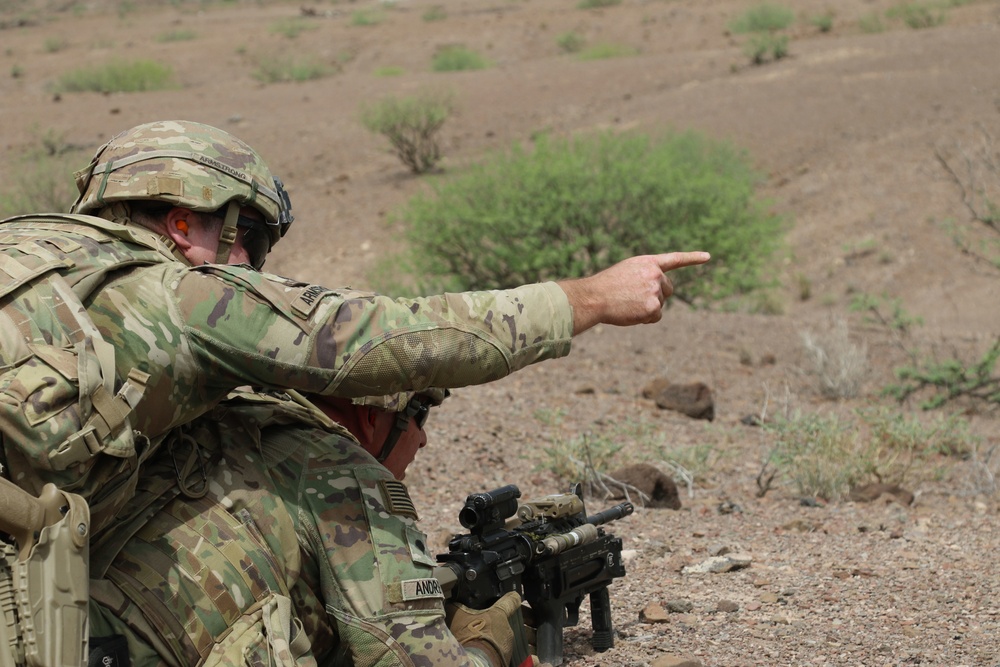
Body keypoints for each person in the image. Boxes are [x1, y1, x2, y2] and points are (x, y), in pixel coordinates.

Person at [0, 118, 707, 664]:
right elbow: (383, 338)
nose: (251, 269)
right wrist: (590, 299)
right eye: (248, 243)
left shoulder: (37, 265)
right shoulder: (172, 297)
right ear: (188, 223)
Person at [87, 387, 526, 667]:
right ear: (373, 416)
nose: (424, 438)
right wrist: (485, 644)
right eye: (420, 417)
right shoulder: (343, 472)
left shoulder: (229, 426)